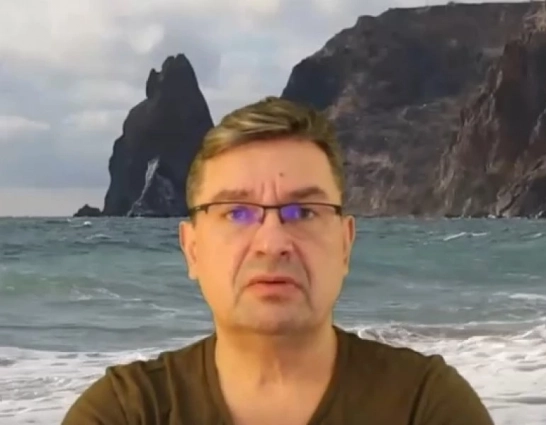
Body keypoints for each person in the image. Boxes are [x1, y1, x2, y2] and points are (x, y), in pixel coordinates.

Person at [61, 96, 493, 424]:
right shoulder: (128, 412)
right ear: (192, 248)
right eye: (236, 213)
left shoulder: (424, 405)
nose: (272, 243)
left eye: (303, 212)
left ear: (345, 244)